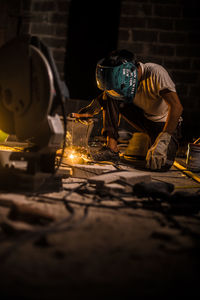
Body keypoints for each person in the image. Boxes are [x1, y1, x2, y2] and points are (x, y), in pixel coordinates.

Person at [73, 49, 183, 171]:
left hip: (164, 124)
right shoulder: (126, 83)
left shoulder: (156, 73)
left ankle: (158, 140)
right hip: (143, 117)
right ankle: (112, 149)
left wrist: (163, 140)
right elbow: (108, 96)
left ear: (131, 72)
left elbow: (177, 107)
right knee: (111, 94)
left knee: (161, 164)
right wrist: (90, 110)